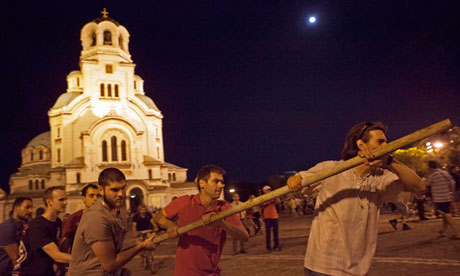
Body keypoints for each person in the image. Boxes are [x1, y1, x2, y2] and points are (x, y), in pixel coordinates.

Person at [288, 121, 424, 276]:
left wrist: (389, 160)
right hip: (323, 266)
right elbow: (300, 179)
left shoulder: (381, 178)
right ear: (361, 144)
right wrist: (295, 179)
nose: (387, 145)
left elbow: (418, 187)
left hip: (358, 269)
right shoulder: (330, 169)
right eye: (380, 141)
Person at [154, 164, 249, 276]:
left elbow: (244, 236)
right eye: (215, 181)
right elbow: (158, 217)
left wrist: (221, 223)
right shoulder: (184, 202)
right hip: (185, 273)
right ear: (202, 183)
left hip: (213, 273)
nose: (221, 185)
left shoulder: (224, 208)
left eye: (222, 182)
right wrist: (170, 225)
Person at [68, 168, 158, 276]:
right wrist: (142, 246)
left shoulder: (117, 208)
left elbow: (114, 250)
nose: (121, 194)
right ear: (101, 190)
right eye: (114, 190)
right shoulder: (97, 219)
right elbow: (110, 264)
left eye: (123, 188)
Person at [20, 187, 71, 276]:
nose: (65, 203)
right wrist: (88, 260)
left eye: (66, 199)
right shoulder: (37, 225)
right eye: (61, 200)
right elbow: (57, 255)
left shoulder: (57, 221)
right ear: (49, 202)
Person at [59, 183, 100, 253]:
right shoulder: (73, 218)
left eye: (98, 196)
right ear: (83, 199)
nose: (95, 199)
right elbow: (64, 244)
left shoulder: (105, 217)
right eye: (91, 196)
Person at [425, 160, 460, 239]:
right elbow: (453, 183)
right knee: (445, 214)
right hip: (447, 196)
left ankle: (457, 233)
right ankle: (443, 231)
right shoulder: (445, 173)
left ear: (430, 167)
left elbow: (426, 185)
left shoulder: (432, 175)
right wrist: (452, 195)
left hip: (439, 198)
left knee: (447, 215)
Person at [0, 197, 33, 276]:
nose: (30, 211)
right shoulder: (7, 227)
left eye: (32, 208)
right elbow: (16, 258)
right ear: (16, 208)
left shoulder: (23, 226)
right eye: (27, 207)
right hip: (7, 272)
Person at [262, 185, 281, 252]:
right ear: (264, 191)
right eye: (267, 190)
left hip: (274, 216)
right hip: (267, 217)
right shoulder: (263, 197)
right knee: (268, 233)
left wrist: (275, 197)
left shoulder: (274, 196)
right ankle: (268, 247)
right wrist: (269, 200)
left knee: (276, 232)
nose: (269, 191)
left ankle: (276, 245)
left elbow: (278, 201)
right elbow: (263, 204)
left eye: (269, 189)